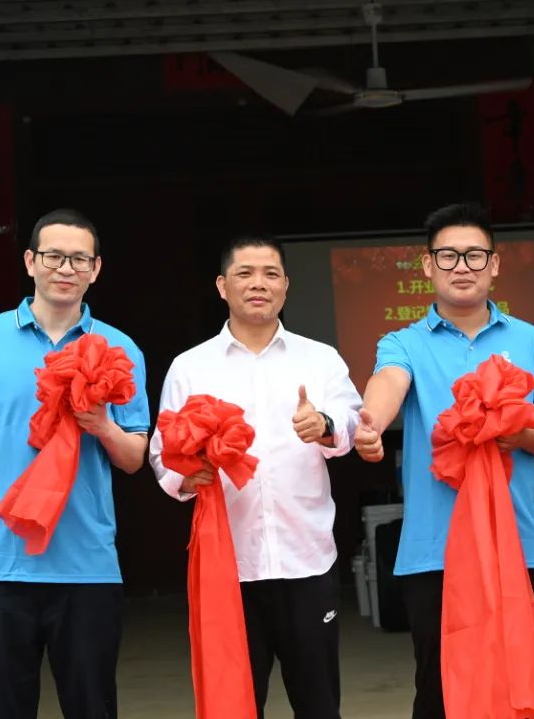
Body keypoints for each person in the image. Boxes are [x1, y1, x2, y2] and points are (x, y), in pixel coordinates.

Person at [354, 202, 534, 719]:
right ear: (428, 266)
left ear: (495, 264)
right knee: (441, 693)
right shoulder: (404, 342)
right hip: (435, 552)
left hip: (519, 546)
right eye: (448, 256)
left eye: (475, 255)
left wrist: (516, 432)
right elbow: (389, 384)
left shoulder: (529, 340)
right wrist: (371, 423)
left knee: (525, 690)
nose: (462, 267)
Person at [0, 208, 151, 719]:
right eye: (54, 256)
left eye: (79, 259)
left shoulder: (118, 349)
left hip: (86, 567)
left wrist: (102, 425)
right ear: (30, 261)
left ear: (96, 269)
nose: (66, 268)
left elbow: (133, 458)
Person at [149, 234, 361, 719]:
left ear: (286, 285)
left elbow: (352, 423)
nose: (258, 284)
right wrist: (188, 475)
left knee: (320, 705)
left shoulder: (320, 358)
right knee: (235, 707)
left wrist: (325, 425)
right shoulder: (190, 366)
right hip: (229, 566)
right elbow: (162, 453)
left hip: (307, 561)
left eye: (270, 274)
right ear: (222, 286)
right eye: (244, 273)